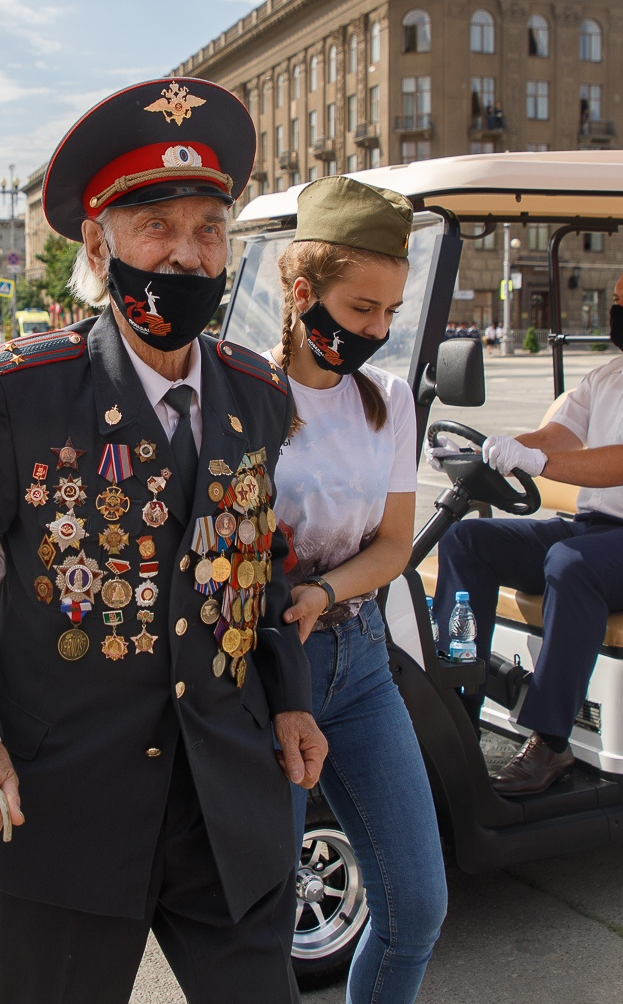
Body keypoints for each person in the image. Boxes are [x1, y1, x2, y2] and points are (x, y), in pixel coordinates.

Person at [0, 78, 327, 1004]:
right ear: (99, 244)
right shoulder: (24, 391)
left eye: (209, 229)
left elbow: (259, 565)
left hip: (227, 805)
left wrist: (288, 698)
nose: (189, 255)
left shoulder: (259, 395)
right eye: (157, 227)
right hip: (67, 813)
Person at [431, 258, 623, 795]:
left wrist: (537, 464)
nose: (617, 311)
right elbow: (556, 436)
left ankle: (550, 740)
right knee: (467, 540)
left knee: (571, 564)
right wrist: (487, 452)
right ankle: (456, 700)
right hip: (598, 530)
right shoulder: (609, 376)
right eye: (617, 300)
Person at [272, 178, 446, 1002]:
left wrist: (324, 591)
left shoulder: (391, 402)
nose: (377, 331)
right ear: (304, 293)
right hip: (268, 669)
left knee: (417, 907)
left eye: (390, 313)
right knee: (261, 923)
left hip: (361, 656)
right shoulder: (243, 395)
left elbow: (394, 546)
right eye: (361, 308)